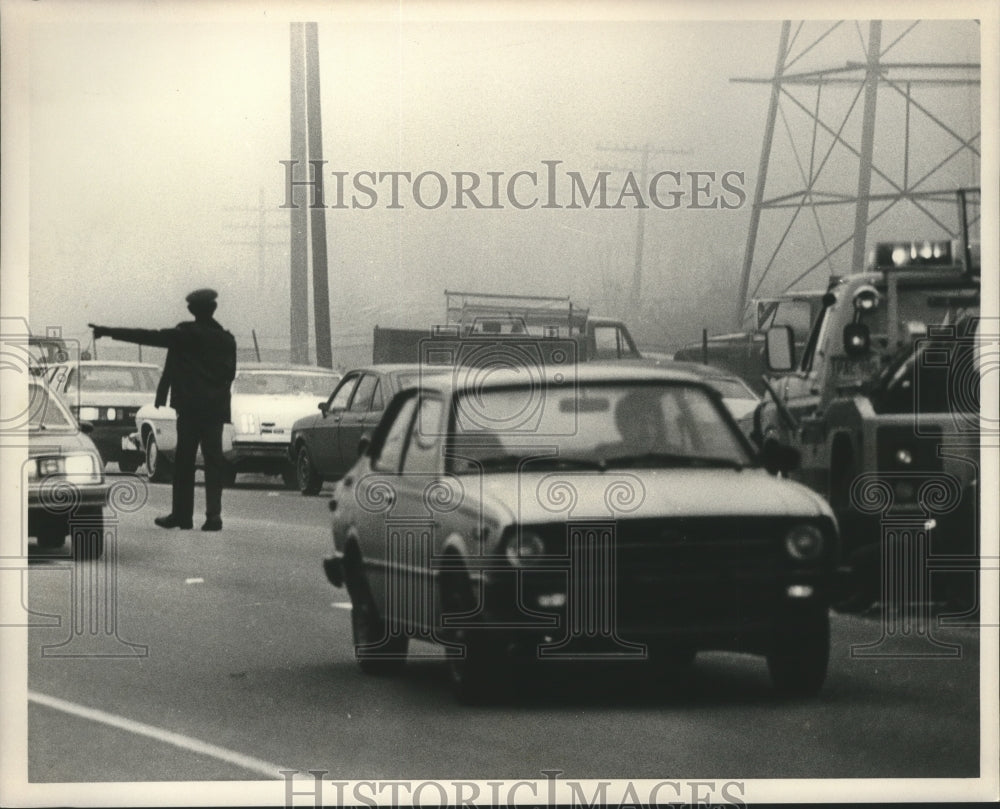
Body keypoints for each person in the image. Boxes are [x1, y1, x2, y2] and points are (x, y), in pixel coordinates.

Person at [89, 289, 237, 531]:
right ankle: (213, 516)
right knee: (213, 463)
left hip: (189, 409)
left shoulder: (185, 334)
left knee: (184, 463)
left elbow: (148, 337)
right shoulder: (227, 340)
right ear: (213, 309)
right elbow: (229, 375)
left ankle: (182, 515)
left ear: (192, 311)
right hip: (214, 410)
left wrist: (108, 332)